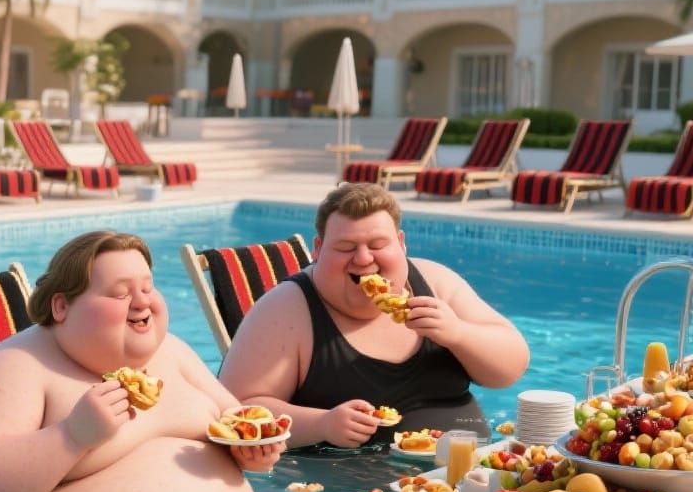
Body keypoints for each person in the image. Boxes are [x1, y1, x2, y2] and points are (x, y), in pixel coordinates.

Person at [0, 231, 284, 492]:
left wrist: (253, 451)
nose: (142, 302)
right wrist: (70, 437)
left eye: (148, 287)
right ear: (62, 307)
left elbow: (237, 420)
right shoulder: (17, 365)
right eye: (120, 294)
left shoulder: (173, 350)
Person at [219, 183, 530, 449]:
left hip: (465, 470)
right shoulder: (286, 308)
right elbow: (235, 410)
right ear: (318, 249)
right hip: (348, 486)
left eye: (378, 245)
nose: (364, 258)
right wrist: (321, 424)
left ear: (401, 243)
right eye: (345, 247)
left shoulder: (435, 282)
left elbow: (510, 370)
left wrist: (459, 335)